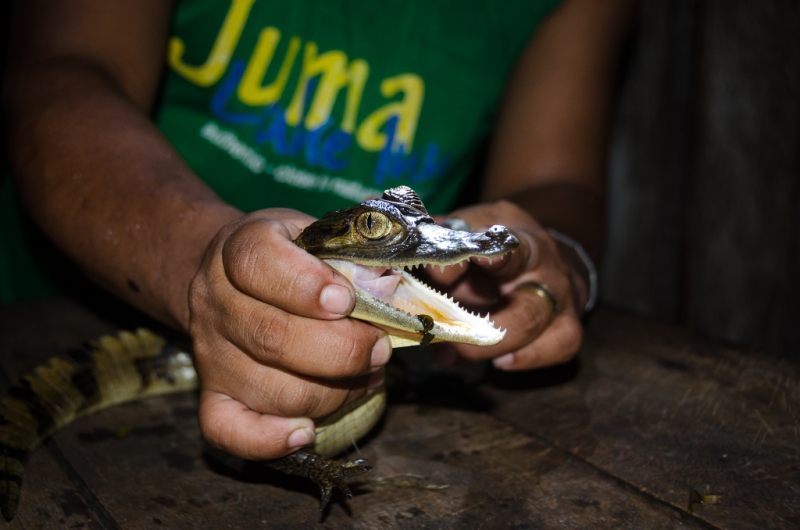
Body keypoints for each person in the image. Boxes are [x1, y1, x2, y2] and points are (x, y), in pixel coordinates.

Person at [2, 0, 636, 462]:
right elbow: (58, 69)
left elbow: (562, 185)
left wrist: (558, 254)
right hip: (47, 309)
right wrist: (204, 259)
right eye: (375, 224)